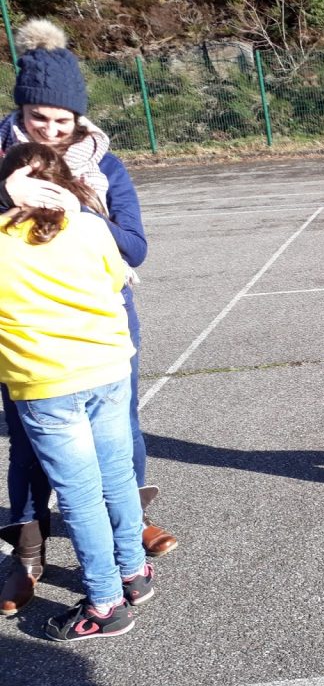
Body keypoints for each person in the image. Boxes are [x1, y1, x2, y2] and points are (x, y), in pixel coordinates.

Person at [0, 18, 176, 618]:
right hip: (27, 340)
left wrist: (76, 212)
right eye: (38, 118)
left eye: (63, 120)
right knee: (26, 447)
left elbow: (135, 249)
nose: (50, 131)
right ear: (20, 109)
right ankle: (28, 554)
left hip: (97, 332)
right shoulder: (2, 162)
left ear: (79, 119)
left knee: (118, 435)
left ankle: (127, 543)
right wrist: (8, 197)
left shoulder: (106, 167)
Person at [0, 143, 154, 640]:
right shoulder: (89, 227)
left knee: (81, 498)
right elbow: (114, 280)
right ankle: (133, 572)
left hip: (46, 382)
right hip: (107, 368)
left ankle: (105, 603)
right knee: (116, 478)